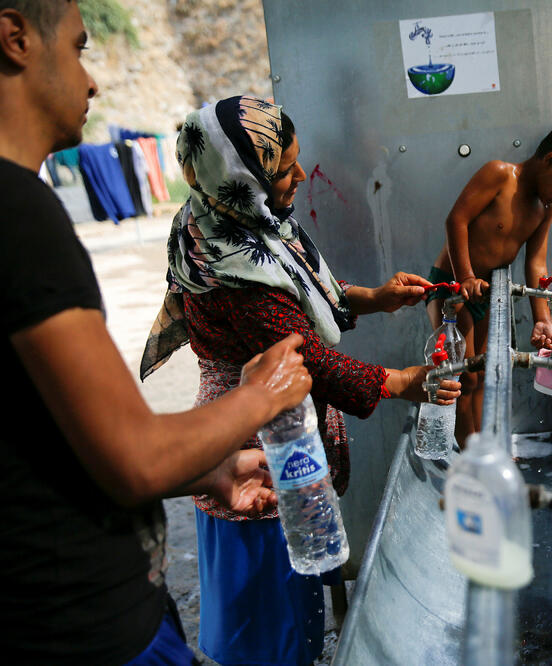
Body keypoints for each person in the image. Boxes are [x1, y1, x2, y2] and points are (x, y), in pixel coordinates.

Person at [0, 2, 314, 664]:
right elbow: (133, 457)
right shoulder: (21, 215)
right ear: (16, 38)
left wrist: (209, 469)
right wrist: (261, 395)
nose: (92, 82)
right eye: (81, 49)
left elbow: (46, 445)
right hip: (88, 627)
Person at [139, 96, 461, 666]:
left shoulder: (230, 219)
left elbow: (311, 300)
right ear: (242, 177)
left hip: (269, 434)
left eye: (295, 163)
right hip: (253, 451)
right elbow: (308, 358)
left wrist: (379, 299)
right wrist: (403, 380)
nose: (298, 178)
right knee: (266, 625)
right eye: (283, 170)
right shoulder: (238, 270)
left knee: (295, 602)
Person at [426, 120, 552, 445]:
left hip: (484, 294)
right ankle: (469, 454)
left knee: (481, 375)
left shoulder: (544, 209)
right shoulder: (499, 174)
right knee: (465, 378)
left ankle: (484, 445)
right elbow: (457, 219)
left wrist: (542, 317)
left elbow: (536, 263)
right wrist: (465, 276)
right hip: (453, 286)